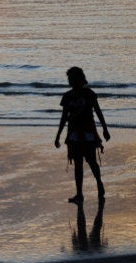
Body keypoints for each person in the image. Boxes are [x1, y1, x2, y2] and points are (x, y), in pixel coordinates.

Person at [54, 67, 110, 205]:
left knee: (91, 161)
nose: (69, 81)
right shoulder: (67, 96)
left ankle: (99, 183)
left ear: (78, 79)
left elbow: (98, 112)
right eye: (69, 78)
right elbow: (63, 118)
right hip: (73, 135)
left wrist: (105, 129)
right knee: (78, 165)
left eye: (71, 78)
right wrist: (58, 136)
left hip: (88, 133)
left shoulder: (89, 94)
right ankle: (79, 194)